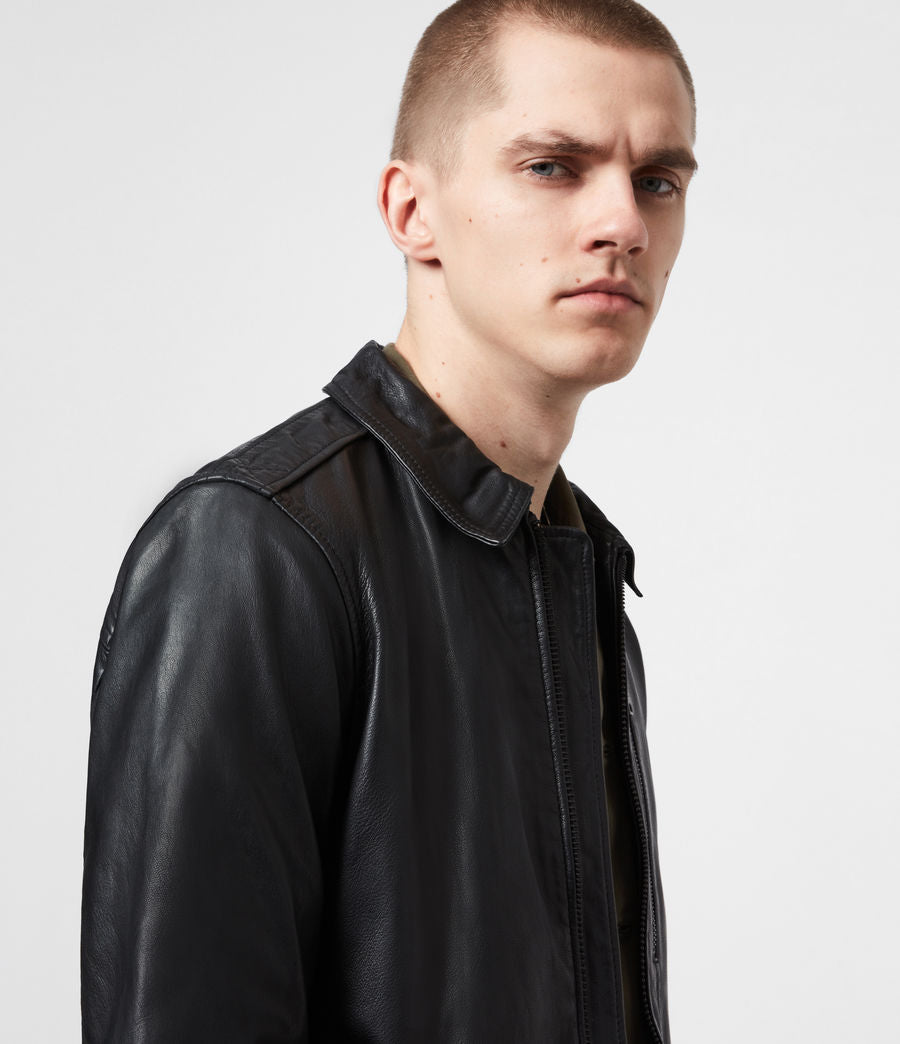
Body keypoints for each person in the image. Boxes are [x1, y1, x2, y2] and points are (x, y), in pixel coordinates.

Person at [81, 0, 697, 1040]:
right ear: (412, 212)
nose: (623, 224)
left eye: (659, 181)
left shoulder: (575, 567)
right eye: (553, 167)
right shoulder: (255, 550)